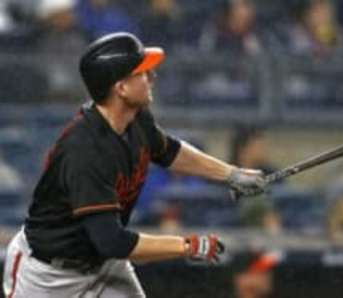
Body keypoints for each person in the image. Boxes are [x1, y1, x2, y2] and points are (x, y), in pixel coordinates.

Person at [2, 32, 267, 298]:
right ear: (121, 88)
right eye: (142, 72)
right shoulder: (85, 150)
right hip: (48, 276)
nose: (152, 77)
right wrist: (187, 246)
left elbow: (169, 151)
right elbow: (112, 241)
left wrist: (230, 174)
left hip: (101, 264)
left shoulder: (135, 117)